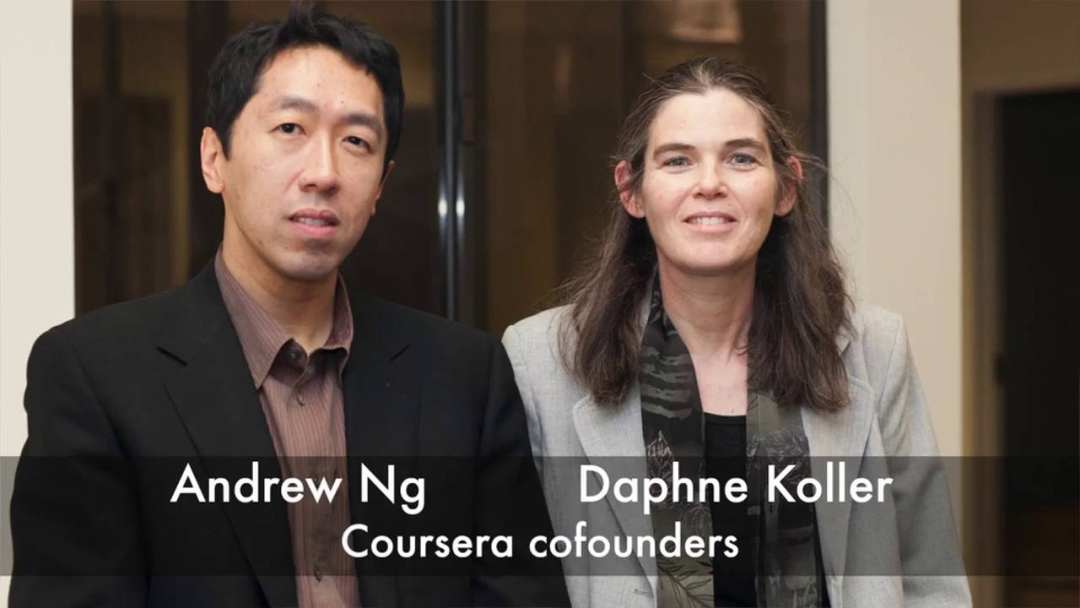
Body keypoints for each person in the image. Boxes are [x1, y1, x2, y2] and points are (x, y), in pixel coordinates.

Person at [10, 6, 567, 608]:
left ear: (380, 186)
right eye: (289, 129)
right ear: (213, 158)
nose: (323, 173)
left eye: (356, 141)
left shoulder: (464, 377)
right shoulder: (96, 376)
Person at [502, 58, 971, 607]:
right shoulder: (540, 361)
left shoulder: (875, 348)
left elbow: (932, 583)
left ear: (786, 188)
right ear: (632, 192)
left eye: (741, 158)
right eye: (677, 161)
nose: (710, 184)